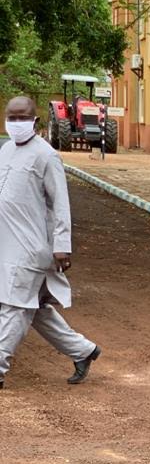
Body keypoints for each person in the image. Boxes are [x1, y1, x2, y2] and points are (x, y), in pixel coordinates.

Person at [0, 96, 100, 389]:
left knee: (15, 306)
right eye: (12, 117)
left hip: (33, 247)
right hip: (6, 244)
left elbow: (60, 204)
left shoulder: (46, 155)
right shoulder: (5, 150)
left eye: (22, 118)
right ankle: (83, 350)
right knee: (34, 307)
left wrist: (62, 245)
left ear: (35, 121)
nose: (16, 123)